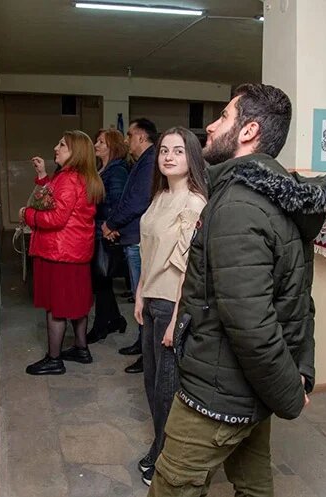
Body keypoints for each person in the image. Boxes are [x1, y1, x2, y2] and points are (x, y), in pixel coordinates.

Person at [147, 84, 326, 495]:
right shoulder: (266, 195)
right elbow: (295, 300)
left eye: (224, 117)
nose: (211, 126)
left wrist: (290, 391)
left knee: (171, 486)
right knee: (253, 486)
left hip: (218, 392)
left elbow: (252, 324)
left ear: (249, 130)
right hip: (249, 387)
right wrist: (296, 371)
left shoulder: (239, 205)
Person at [134, 127, 207, 486]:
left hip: (170, 305)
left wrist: (176, 317)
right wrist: (139, 293)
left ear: (191, 156)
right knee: (151, 384)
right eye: (164, 150)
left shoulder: (194, 203)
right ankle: (159, 446)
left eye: (178, 151)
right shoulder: (160, 196)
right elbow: (148, 251)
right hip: (151, 299)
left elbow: (190, 267)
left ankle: (166, 458)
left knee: (167, 390)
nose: (168, 157)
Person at [20, 131, 105, 375]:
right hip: (75, 251)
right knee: (76, 302)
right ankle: (81, 348)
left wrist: (27, 214)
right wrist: (42, 176)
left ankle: (54, 359)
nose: (56, 148)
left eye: (62, 145)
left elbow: (56, 217)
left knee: (56, 307)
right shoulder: (82, 177)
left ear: (75, 152)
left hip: (59, 252)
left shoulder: (68, 179)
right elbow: (54, 199)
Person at [102, 118, 157, 374]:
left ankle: (147, 354)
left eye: (130, 135)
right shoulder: (141, 161)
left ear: (142, 137)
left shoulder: (149, 162)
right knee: (138, 296)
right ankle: (142, 343)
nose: (127, 140)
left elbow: (136, 201)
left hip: (138, 238)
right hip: (133, 234)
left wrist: (111, 223)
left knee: (142, 298)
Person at [86, 129, 130, 343]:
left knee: (101, 279)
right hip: (96, 229)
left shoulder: (117, 170)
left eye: (101, 142)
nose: (96, 145)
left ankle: (102, 325)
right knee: (101, 281)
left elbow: (117, 201)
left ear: (112, 147)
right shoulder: (102, 169)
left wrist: (110, 226)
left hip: (104, 231)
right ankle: (115, 319)